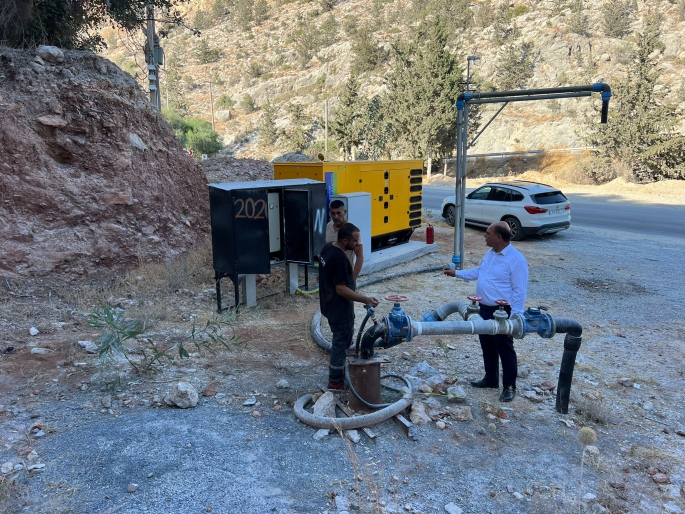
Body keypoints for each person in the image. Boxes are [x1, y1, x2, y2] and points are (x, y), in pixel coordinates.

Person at [442, 221, 528, 402]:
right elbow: (478, 273)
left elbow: (519, 290)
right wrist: (456, 273)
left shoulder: (516, 260)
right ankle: (490, 379)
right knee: (487, 345)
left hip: (503, 312)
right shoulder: (490, 254)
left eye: (488, 234)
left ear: (498, 237)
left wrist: (515, 317)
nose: (484, 236)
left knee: (504, 348)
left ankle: (509, 387)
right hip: (484, 308)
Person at [319, 223, 379, 390]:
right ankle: (335, 381)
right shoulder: (340, 259)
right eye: (355, 240)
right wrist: (365, 299)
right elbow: (342, 289)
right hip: (339, 309)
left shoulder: (327, 248)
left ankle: (339, 374)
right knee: (340, 344)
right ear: (345, 241)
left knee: (341, 341)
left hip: (328, 304)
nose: (358, 244)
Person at [326, 200, 364, 282]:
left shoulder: (353, 231)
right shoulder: (329, 226)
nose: (336, 216)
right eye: (333, 213)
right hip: (330, 274)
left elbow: (360, 257)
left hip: (345, 275)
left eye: (339, 213)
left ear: (345, 212)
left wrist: (352, 280)